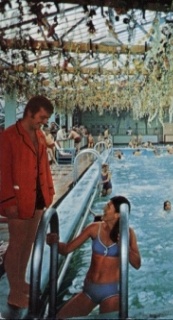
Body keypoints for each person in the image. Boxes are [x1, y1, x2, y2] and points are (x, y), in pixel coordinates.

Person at [0, 95, 55, 312]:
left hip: (37, 197)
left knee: (29, 243)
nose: (44, 122)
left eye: (46, 118)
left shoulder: (40, 136)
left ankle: (21, 281)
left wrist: (49, 192)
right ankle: (14, 292)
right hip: (19, 198)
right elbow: (3, 173)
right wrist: (8, 201)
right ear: (30, 112)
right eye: (41, 117)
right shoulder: (9, 137)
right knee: (16, 244)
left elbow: (45, 168)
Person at [46, 196, 141, 318]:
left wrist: (124, 247)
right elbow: (67, 249)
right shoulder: (95, 228)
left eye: (108, 206)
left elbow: (137, 264)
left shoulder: (128, 233)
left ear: (117, 214)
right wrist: (53, 243)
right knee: (60, 318)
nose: (104, 208)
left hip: (111, 293)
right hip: (89, 290)